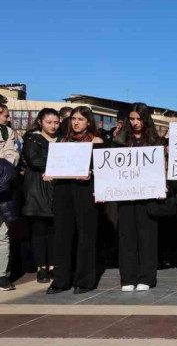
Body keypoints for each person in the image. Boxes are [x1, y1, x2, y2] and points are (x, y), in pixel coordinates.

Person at [46, 106, 105, 294]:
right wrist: (50, 173)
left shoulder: (96, 141)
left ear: (89, 121)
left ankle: (84, 280)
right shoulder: (62, 141)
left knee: (86, 236)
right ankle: (61, 280)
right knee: (62, 236)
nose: (76, 122)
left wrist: (91, 174)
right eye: (73, 119)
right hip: (63, 191)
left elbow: (103, 171)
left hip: (85, 192)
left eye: (80, 119)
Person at [112, 103, 165, 292]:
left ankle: (147, 277)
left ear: (145, 119)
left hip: (148, 196)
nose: (135, 123)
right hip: (125, 196)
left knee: (147, 237)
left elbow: (161, 168)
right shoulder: (119, 140)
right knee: (126, 236)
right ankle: (128, 277)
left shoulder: (155, 141)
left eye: (139, 119)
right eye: (132, 119)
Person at [21, 108, 61, 284]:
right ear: (40, 122)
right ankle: (41, 267)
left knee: (54, 230)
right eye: (49, 122)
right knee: (39, 230)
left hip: (56, 189)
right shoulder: (32, 139)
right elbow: (34, 161)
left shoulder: (62, 139)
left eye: (56, 122)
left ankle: (53, 265)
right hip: (37, 190)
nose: (53, 126)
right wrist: (59, 162)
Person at [0, 104, 21, 291]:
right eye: (6, 115)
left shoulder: (6, 132)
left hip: (2, 189)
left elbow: (12, 156)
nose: (8, 119)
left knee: (2, 234)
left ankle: (1, 275)